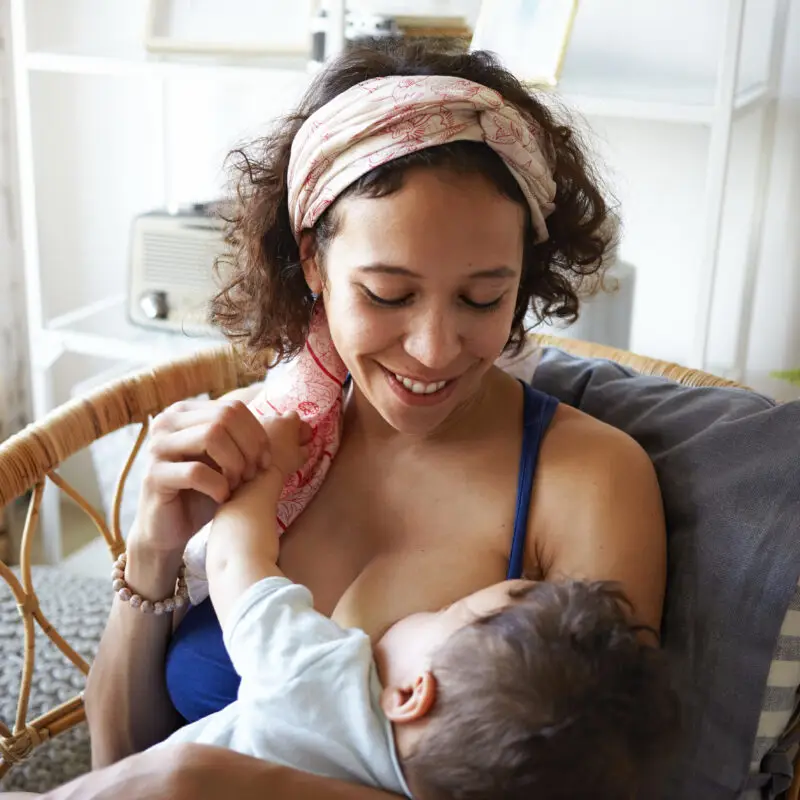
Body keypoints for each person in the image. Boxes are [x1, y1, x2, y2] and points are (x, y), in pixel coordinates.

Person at [54, 40, 668, 800]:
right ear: (314, 263)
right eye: (387, 293)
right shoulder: (265, 433)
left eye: (483, 298)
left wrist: (218, 778)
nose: (435, 349)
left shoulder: (586, 481)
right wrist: (152, 551)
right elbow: (113, 763)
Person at [155, 412, 678, 800]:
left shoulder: (325, 676)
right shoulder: (433, 784)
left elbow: (232, 563)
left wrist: (268, 476)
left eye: (445, 613)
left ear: (409, 694)